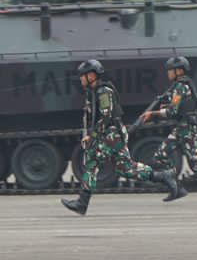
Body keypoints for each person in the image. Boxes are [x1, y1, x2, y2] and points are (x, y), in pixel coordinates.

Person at [61, 59, 181, 215]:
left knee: (92, 160)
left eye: (83, 75)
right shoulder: (94, 91)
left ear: (91, 76)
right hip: (110, 133)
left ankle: (82, 203)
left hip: (111, 133)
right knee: (126, 169)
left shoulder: (104, 91)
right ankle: (163, 176)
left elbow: (106, 116)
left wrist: (92, 136)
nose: (81, 79)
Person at [137, 56, 197, 207]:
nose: (168, 74)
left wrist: (153, 114)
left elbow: (172, 112)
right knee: (193, 164)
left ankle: (179, 187)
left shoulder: (180, 87)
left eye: (170, 71)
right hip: (186, 126)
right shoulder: (180, 86)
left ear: (179, 71)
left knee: (162, 156)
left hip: (185, 127)